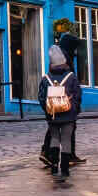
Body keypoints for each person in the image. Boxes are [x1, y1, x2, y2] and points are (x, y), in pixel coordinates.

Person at [38, 50, 83, 178]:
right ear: (64, 62)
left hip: (52, 115)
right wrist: (74, 109)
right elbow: (78, 96)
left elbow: (41, 97)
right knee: (66, 139)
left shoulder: (45, 79)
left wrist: (48, 110)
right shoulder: (71, 77)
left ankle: (53, 166)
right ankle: (64, 169)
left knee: (54, 138)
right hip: (68, 115)